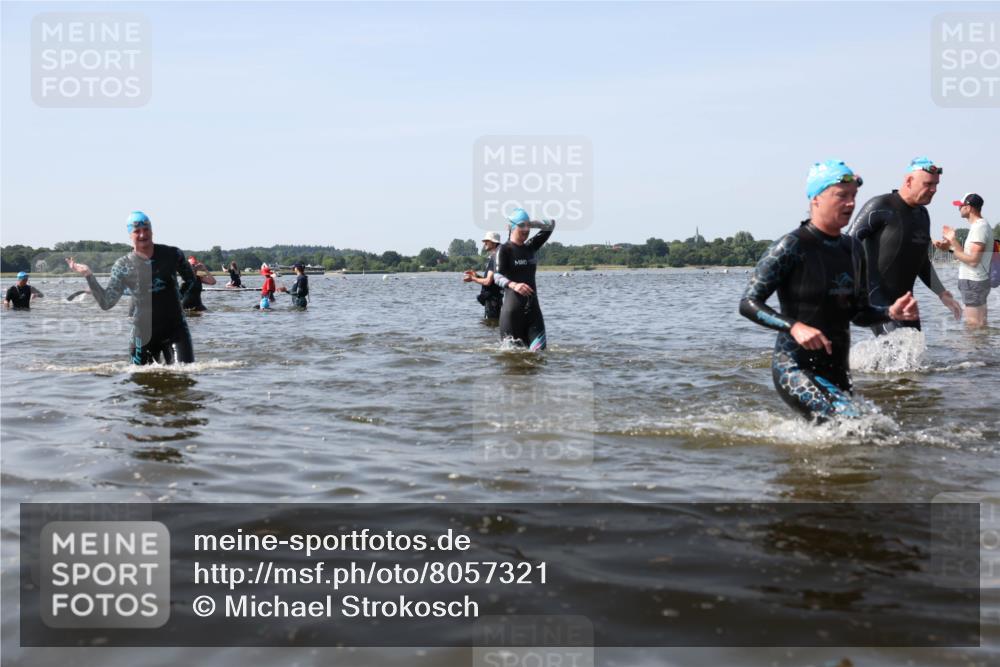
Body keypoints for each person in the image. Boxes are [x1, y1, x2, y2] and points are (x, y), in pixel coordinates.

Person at [740, 160, 920, 422]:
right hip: (795, 367)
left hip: (837, 368)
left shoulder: (853, 249)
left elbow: (858, 313)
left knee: (861, 433)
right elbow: (748, 303)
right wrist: (794, 326)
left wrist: (891, 312)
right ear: (816, 199)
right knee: (850, 423)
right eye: (841, 196)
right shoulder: (791, 246)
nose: (850, 203)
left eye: (853, 196)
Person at [846, 156, 961, 335]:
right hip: (877, 298)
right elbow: (847, 244)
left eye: (936, 185)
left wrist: (942, 293)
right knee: (897, 352)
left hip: (907, 302)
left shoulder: (923, 215)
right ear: (909, 181)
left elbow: (921, 260)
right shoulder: (880, 206)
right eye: (928, 184)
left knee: (913, 357)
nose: (934, 190)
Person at [66, 210, 197, 365]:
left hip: (176, 330)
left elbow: (191, 280)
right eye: (137, 231)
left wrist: (177, 301)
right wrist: (88, 275)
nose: (143, 235)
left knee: (185, 374)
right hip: (142, 334)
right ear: (130, 235)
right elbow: (107, 302)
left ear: (152, 230)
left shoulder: (173, 254)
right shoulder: (122, 265)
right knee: (140, 382)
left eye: (146, 229)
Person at [493, 209, 555, 351]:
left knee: (539, 357)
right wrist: (513, 284)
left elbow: (551, 224)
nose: (526, 229)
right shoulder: (504, 249)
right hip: (512, 314)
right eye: (522, 226)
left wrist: (531, 223)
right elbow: (497, 276)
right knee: (513, 361)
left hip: (533, 312)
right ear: (512, 227)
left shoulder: (531, 247)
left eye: (528, 226)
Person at [937, 193, 992, 327]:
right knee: (979, 325)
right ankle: (981, 348)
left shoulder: (979, 227)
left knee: (973, 326)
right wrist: (952, 240)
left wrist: (949, 250)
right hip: (974, 281)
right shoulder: (978, 226)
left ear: (969, 208)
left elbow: (973, 260)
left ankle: (972, 348)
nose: (959, 209)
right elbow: (965, 255)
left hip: (973, 281)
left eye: (960, 206)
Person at [463, 231, 503, 321]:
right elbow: (492, 281)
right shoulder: (497, 256)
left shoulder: (495, 257)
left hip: (493, 301)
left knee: (491, 324)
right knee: (492, 325)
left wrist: (473, 278)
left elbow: (488, 282)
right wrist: (476, 275)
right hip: (495, 299)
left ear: (493, 242)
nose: (484, 243)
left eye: (487, 241)